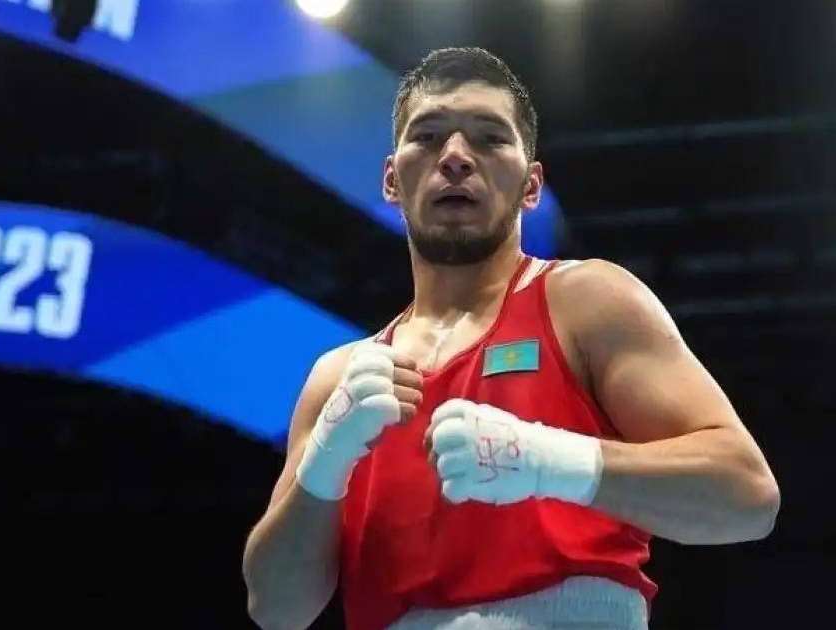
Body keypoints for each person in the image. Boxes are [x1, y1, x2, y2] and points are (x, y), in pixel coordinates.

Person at [242, 47, 780, 630]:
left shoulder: (586, 303)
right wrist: (324, 461)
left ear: (531, 185)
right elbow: (276, 610)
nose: (454, 157)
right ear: (392, 180)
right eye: (427, 136)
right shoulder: (339, 379)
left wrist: (547, 460)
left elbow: (746, 496)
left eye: (489, 138)